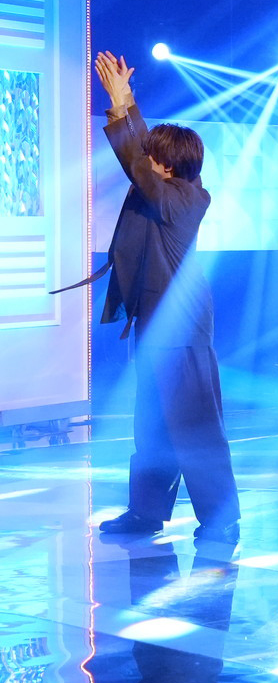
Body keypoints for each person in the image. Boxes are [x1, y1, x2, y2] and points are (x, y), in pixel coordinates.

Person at [78, 51, 240, 543]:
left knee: (196, 428)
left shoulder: (186, 198)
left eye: (153, 156)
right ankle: (145, 511)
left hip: (183, 332)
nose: (144, 161)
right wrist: (127, 105)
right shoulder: (164, 189)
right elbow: (141, 159)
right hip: (155, 326)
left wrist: (121, 107)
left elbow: (137, 163)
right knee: (151, 425)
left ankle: (222, 518)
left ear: (169, 167)